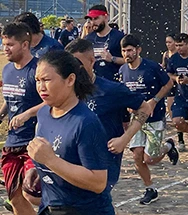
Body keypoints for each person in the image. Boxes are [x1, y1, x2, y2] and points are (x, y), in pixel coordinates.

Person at [30, 50, 114, 214]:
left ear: (70, 79)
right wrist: (37, 169)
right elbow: (54, 156)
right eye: (37, 80)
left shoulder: (86, 122)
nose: (41, 87)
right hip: (49, 207)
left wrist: (50, 161)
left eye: (47, 80)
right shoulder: (43, 114)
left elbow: (98, 182)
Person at [64, 39, 153, 194]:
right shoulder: (66, 89)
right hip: (73, 159)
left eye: (77, 62)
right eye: (69, 63)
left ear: (92, 61)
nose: (74, 68)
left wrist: (125, 139)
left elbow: (145, 107)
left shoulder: (111, 90)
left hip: (103, 161)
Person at [119, 34, 177, 205]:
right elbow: (123, 93)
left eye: (130, 50)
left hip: (155, 117)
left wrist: (154, 101)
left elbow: (168, 84)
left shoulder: (151, 67)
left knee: (150, 159)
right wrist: (127, 106)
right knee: (137, 155)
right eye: (124, 51)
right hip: (135, 119)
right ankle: (150, 188)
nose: (127, 54)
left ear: (138, 50)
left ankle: (168, 146)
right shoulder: (122, 71)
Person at [1, 23, 45, 215]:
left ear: (25, 45)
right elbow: (11, 99)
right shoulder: (7, 70)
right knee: (14, 197)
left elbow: (54, 101)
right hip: (12, 141)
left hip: (35, 141)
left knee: (32, 192)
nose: (5, 49)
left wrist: (28, 113)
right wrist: (2, 113)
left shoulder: (39, 70)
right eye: (4, 44)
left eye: (10, 44)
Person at [85, 4, 125, 81]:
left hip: (113, 83)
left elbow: (130, 60)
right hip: (94, 84)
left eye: (96, 18)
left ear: (106, 17)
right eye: (91, 19)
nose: (93, 22)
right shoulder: (88, 38)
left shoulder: (119, 37)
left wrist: (113, 59)